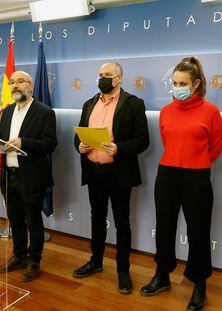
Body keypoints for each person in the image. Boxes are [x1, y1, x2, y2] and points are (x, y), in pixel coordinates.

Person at [140, 56, 222, 311]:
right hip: (167, 174)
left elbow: (215, 149)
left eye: (183, 83)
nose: (177, 87)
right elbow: (168, 142)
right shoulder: (166, 111)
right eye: (175, 82)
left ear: (196, 84)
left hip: (196, 177)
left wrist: (195, 162)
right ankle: (162, 275)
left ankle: (199, 283)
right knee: (164, 228)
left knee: (198, 231)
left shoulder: (210, 112)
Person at [73, 62, 150, 294]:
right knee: (96, 218)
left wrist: (118, 149)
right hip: (94, 171)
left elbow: (143, 140)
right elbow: (78, 136)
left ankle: (123, 271)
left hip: (119, 172)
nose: (102, 79)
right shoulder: (89, 103)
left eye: (107, 75)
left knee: (121, 222)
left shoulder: (134, 103)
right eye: (100, 75)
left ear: (119, 78)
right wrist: (80, 146)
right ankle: (96, 261)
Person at [0, 71, 57, 282]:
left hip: (31, 176)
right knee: (15, 219)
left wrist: (25, 143)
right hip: (8, 175)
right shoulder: (8, 110)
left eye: (20, 81)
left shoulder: (44, 112)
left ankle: (34, 261)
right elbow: (0, 138)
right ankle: (19, 256)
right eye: (12, 82)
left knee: (33, 222)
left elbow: (50, 144)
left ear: (30, 85)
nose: (15, 86)